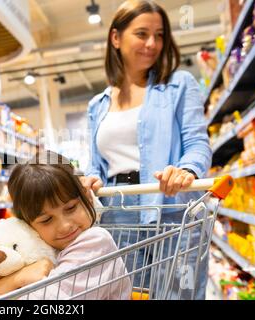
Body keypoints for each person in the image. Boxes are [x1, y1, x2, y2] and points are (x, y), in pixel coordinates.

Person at [80, 0, 212, 300]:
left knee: (176, 295)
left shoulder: (179, 85)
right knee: (130, 295)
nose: (152, 43)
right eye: (142, 33)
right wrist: (89, 179)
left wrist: (186, 170)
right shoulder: (97, 105)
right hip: (117, 213)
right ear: (116, 38)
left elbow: (197, 143)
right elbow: (96, 165)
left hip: (172, 208)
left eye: (160, 35)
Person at [0, 150, 132, 300]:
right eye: (46, 220)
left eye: (71, 208)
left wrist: (5, 286)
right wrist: (16, 279)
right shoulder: (37, 245)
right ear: (28, 225)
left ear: (86, 198)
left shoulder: (95, 242)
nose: (65, 225)